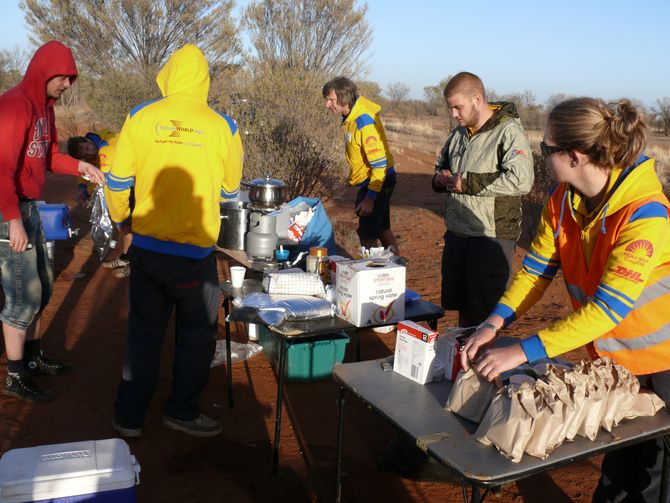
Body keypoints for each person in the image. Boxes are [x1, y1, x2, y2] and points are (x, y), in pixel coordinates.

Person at [462, 98, 670, 502]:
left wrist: (523, 352)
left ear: (573, 156)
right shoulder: (563, 203)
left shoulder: (645, 214)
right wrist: (493, 324)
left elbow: (607, 310)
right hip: (614, 364)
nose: (541, 156)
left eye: (546, 149)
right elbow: (535, 272)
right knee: (615, 470)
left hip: (664, 366)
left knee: (654, 481)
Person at [105, 44, 243, 438]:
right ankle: (181, 410)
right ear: (204, 80)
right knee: (197, 336)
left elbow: (117, 182)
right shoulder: (224, 127)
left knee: (143, 333)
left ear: (168, 75)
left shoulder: (140, 116)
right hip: (194, 256)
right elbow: (231, 190)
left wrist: (122, 223)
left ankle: (128, 417)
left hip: (147, 249)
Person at [0, 40, 104, 402]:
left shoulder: (45, 111)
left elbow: (48, 159)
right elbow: (1, 169)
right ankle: (15, 376)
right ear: (45, 72)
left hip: (30, 207)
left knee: (42, 286)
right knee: (21, 295)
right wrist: (12, 220)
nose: (66, 85)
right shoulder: (16, 106)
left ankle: (32, 357)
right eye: (63, 77)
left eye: (70, 79)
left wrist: (81, 166)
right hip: (9, 211)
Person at [432, 72, 534, 328]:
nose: (454, 114)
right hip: (457, 234)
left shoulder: (508, 131)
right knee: (463, 310)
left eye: (458, 107)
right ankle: (463, 364)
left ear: (477, 99)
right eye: (450, 108)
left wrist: (466, 182)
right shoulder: (459, 133)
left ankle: (484, 365)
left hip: (491, 237)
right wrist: (440, 180)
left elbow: (522, 180)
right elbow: (442, 167)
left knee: (485, 318)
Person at [322, 77, 400, 255]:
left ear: (344, 98)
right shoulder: (352, 116)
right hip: (377, 180)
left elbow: (379, 164)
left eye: (331, 100)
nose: (327, 105)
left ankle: (375, 275)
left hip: (377, 181)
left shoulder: (363, 121)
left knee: (367, 235)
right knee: (382, 228)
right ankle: (397, 265)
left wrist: (370, 198)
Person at [68, 131, 132, 278]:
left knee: (131, 226)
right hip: (127, 185)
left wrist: (88, 191)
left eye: (86, 146)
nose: (89, 150)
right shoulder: (96, 143)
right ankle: (127, 257)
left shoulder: (105, 149)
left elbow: (105, 180)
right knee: (125, 227)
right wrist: (82, 187)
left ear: (86, 140)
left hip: (132, 184)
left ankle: (135, 266)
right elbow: (87, 170)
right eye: (85, 152)